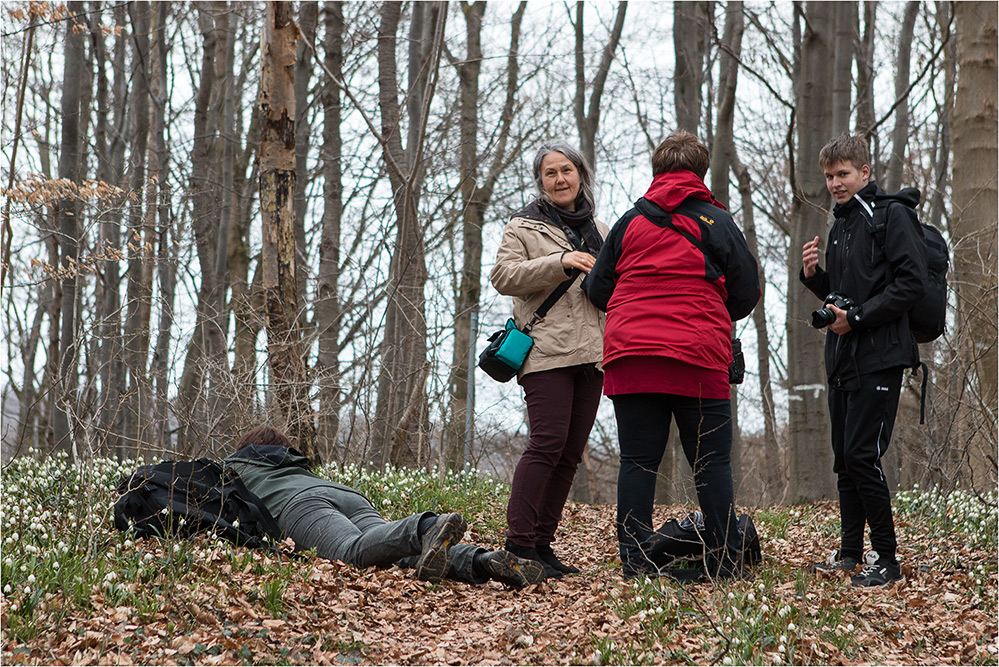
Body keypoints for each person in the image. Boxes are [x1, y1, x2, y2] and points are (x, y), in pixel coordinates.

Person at [585, 131, 760, 580]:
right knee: (711, 462)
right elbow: (747, 292)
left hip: (632, 355)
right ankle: (724, 563)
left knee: (637, 460)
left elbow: (597, 289)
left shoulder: (628, 223)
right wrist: (714, 311)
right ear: (700, 174)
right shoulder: (718, 222)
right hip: (698, 356)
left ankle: (635, 563)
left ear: (656, 171)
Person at [800, 134, 927, 587]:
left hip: (881, 356)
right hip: (844, 358)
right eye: (830, 176)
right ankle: (850, 554)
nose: (835, 183)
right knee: (844, 460)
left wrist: (854, 318)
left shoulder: (890, 216)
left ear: (865, 173)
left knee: (862, 456)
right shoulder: (843, 225)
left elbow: (910, 285)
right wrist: (815, 279)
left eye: (843, 174)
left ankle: (888, 561)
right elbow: (846, 294)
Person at [223, 425, 546, 589]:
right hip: (348, 496)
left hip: (301, 506)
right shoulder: (296, 464)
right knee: (389, 548)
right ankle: (482, 560)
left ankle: (425, 527)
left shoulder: (232, 467)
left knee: (351, 552)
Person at [489, 141, 608, 578]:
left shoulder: (600, 228)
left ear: (581, 175)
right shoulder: (523, 226)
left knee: (571, 453)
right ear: (540, 182)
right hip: (546, 352)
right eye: (550, 173)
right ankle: (518, 543)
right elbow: (503, 276)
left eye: (567, 171)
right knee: (547, 444)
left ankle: (542, 544)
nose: (560, 179)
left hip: (594, 355)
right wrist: (560, 261)